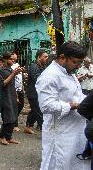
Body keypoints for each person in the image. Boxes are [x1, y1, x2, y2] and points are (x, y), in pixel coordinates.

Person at [36, 41, 90, 169]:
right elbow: (46, 105)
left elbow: (77, 95)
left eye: (80, 63)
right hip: (61, 133)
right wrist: (72, 106)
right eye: (75, 62)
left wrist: (88, 101)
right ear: (62, 58)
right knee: (60, 164)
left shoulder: (69, 73)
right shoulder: (49, 76)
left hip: (75, 130)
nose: (78, 66)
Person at [0, 52, 22, 145]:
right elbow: (3, 84)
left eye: (14, 60)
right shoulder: (1, 70)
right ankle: (2, 136)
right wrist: (13, 74)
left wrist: (16, 96)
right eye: (11, 59)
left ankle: (9, 137)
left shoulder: (10, 69)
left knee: (14, 117)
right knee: (8, 118)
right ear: (6, 59)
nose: (13, 61)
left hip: (12, 95)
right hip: (5, 97)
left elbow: (13, 84)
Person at [24, 50, 48, 134]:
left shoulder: (43, 67)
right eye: (45, 57)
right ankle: (45, 129)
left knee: (34, 110)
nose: (46, 58)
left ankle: (28, 126)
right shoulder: (34, 67)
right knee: (38, 111)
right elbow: (38, 80)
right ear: (38, 57)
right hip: (33, 93)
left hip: (39, 93)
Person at [11, 52, 25, 132]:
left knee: (21, 105)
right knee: (15, 107)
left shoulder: (17, 65)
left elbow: (20, 78)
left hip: (20, 89)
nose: (16, 56)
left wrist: (22, 87)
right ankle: (14, 124)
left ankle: (13, 121)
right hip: (14, 90)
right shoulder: (11, 67)